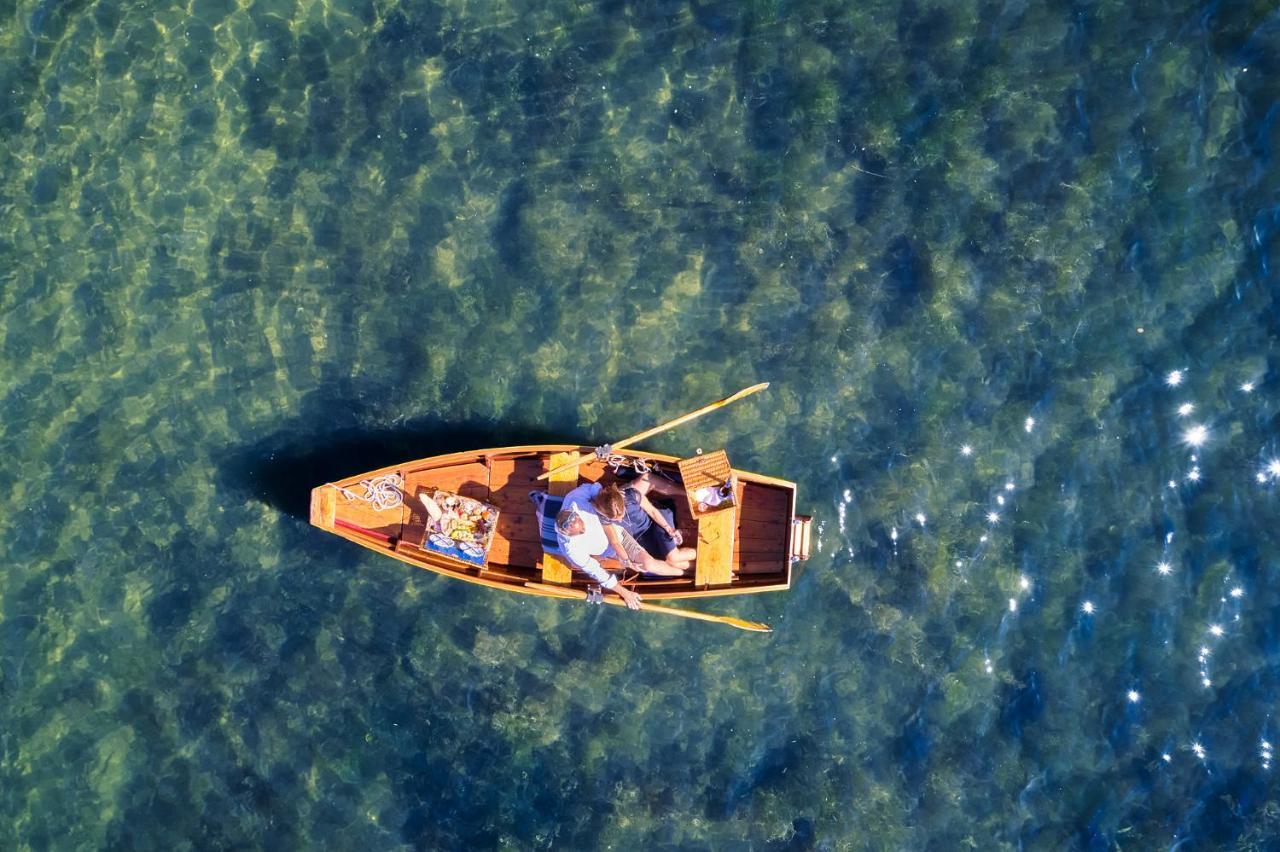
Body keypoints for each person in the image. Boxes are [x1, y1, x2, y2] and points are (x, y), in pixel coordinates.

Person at [605, 472, 697, 573]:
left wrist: (668, 528)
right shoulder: (604, 517)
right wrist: (626, 561)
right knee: (671, 563)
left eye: (621, 515)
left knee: (673, 557)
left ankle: (701, 553)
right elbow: (614, 542)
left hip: (655, 523)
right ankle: (698, 569)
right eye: (615, 519)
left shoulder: (631, 495)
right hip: (644, 538)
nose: (619, 520)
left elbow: (652, 511)